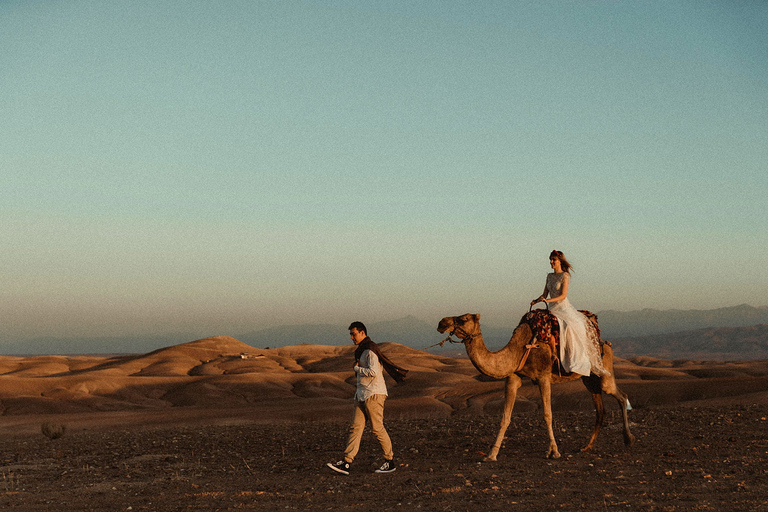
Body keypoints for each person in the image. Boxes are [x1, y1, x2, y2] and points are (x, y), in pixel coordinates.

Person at [326, 321, 408, 475]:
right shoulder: (362, 350)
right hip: (362, 394)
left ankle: (390, 461)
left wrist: (357, 368)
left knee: (377, 428)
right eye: (350, 334)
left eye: (354, 334)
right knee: (355, 428)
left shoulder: (370, 351)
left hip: (374, 394)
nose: (351, 337)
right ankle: (347, 462)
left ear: (362, 332)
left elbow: (374, 372)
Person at [530, 250, 608, 377]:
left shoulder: (565, 276)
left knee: (569, 326)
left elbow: (562, 296)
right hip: (551, 308)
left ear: (560, 261)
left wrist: (547, 300)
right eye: (550, 259)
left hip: (563, 308)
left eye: (553, 260)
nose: (551, 262)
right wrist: (537, 300)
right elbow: (544, 294)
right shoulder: (549, 276)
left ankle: (575, 361)